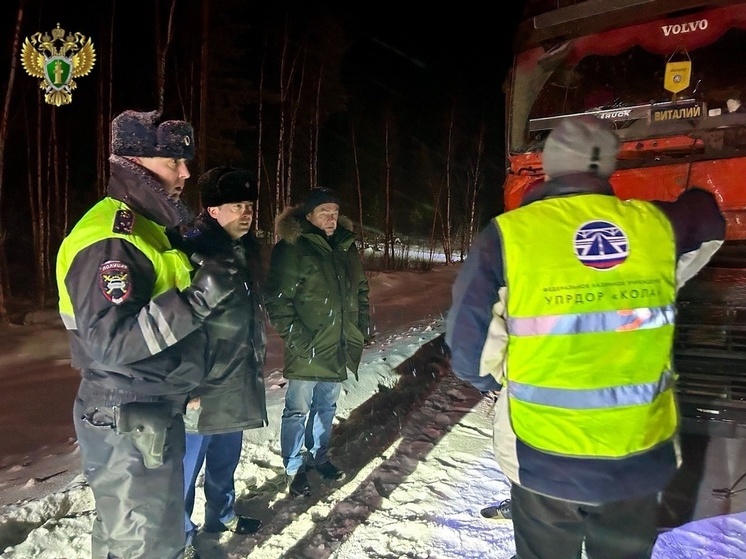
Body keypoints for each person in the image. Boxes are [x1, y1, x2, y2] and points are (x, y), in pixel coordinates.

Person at [445, 115, 726, 559]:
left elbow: (469, 351)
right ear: (607, 168)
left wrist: (497, 382)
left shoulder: (508, 237)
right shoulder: (656, 227)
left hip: (542, 457)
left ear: (549, 166)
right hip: (637, 455)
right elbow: (708, 217)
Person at [56, 110, 240, 559]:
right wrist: (198, 298)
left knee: (133, 538)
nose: (186, 172)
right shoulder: (112, 240)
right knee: (147, 546)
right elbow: (111, 343)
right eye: (173, 161)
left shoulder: (147, 229)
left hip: (145, 408)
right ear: (133, 163)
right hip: (128, 413)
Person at [168, 166, 268, 546]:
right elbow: (178, 323)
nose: (246, 212)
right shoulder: (192, 251)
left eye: (248, 205)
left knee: (226, 459)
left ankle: (221, 517)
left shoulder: (244, 249)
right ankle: (181, 537)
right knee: (185, 468)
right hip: (202, 385)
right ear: (212, 211)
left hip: (237, 374)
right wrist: (187, 383)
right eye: (236, 205)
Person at [264, 187, 371, 497]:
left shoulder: (345, 247)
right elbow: (278, 300)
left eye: (335, 212)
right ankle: (294, 467)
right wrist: (300, 341)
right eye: (324, 211)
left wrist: (358, 328)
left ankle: (319, 457)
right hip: (308, 348)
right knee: (297, 411)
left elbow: (361, 291)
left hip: (338, 345)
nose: (331, 217)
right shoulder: (293, 247)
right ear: (308, 215)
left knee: (326, 408)